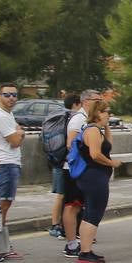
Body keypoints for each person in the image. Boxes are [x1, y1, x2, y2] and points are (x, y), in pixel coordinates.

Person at [73, 99, 121, 263]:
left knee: (90, 213)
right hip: (93, 177)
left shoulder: (97, 130)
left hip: (94, 177)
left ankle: (86, 250)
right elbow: (95, 154)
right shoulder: (92, 130)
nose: (109, 114)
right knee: (94, 213)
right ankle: (85, 252)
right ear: (98, 113)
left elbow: (108, 146)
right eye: (107, 111)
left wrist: (106, 126)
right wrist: (111, 163)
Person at [0, 82, 25, 255]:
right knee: (1, 205)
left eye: (14, 95)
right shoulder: (0, 115)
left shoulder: (8, 114)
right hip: (5, 163)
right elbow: (15, 141)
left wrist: (18, 132)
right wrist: (20, 133)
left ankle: (0, 246)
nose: (11, 98)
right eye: (7, 95)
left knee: (3, 205)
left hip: (9, 162)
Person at [63, 89, 104, 258]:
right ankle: (71, 243)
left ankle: (79, 240)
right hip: (75, 169)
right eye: (97, 100)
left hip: (84, 169)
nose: (100, 102)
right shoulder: (78, 119)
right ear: (86, 101)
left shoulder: (89, 120)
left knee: (79, 205)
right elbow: (70, 144)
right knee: (72, 206)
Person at [48, 94, 82, 239]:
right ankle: (57, 225)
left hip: (56, 158)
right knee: (64, 196)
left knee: (61, 195)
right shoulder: (74, 118)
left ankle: (57, 225)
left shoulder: (58, 116)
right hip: (66, 161)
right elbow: (71, 143)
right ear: (76, 104)